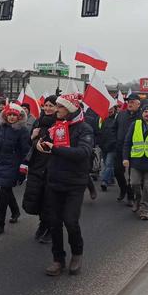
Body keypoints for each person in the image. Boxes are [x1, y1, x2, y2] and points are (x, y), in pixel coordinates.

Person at [41, 94, 94, 276]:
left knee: (70, 221)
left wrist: (55, 149)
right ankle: (58, 259)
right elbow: (41, 141)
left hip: (75, 183)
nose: (56, 110)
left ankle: (77, 254)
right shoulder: (55, 126)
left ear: (70, 109)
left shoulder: (84, 129)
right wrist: (39, 143)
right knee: (54, 223)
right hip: (55, 180)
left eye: (60, 107)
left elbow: (83, 152)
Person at [0, 103, 31, 236]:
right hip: (0, 161)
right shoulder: (0, 124)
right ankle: (15, 210)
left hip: (13, 163)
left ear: (19, 116)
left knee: (3, 191)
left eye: (15, 115)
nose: (12, 117)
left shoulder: (23, 130)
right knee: (5, 188)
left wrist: (23, 168)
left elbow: (26, 150)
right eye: (10, 114)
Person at [22, 95, 57, 244]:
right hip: (37, 165)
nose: (48, 108)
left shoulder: (60, 123)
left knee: (50, 199)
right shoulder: (39, 121)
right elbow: (31, 144)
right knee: (37, 197)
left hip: (52, 166)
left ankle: (50, 227)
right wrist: (32, 137)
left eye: (51, 106)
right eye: (46, 105)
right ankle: (43, 223)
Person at [113, 94, 142, 205]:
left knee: (132, 176)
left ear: (138, 104)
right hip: (120, 148)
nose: (129, 103)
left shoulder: (141, 116)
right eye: (128, 101)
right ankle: (123, 189)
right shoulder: (121, 115)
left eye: (132, 101)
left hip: (135, 150)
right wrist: (115, 141)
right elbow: (114, 129)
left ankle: (131, 196)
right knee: (117, 171)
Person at [97, 106, 118, 191]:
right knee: (106, 164)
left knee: (108, 164)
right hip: (104, 146)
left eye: (111, 109)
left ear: (114, 109)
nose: (109, 110)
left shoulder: (117, 120)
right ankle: (111, 178)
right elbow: (100, 132)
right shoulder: (103, 119)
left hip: (112, 147)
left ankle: (104, 181)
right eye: (108, 109)